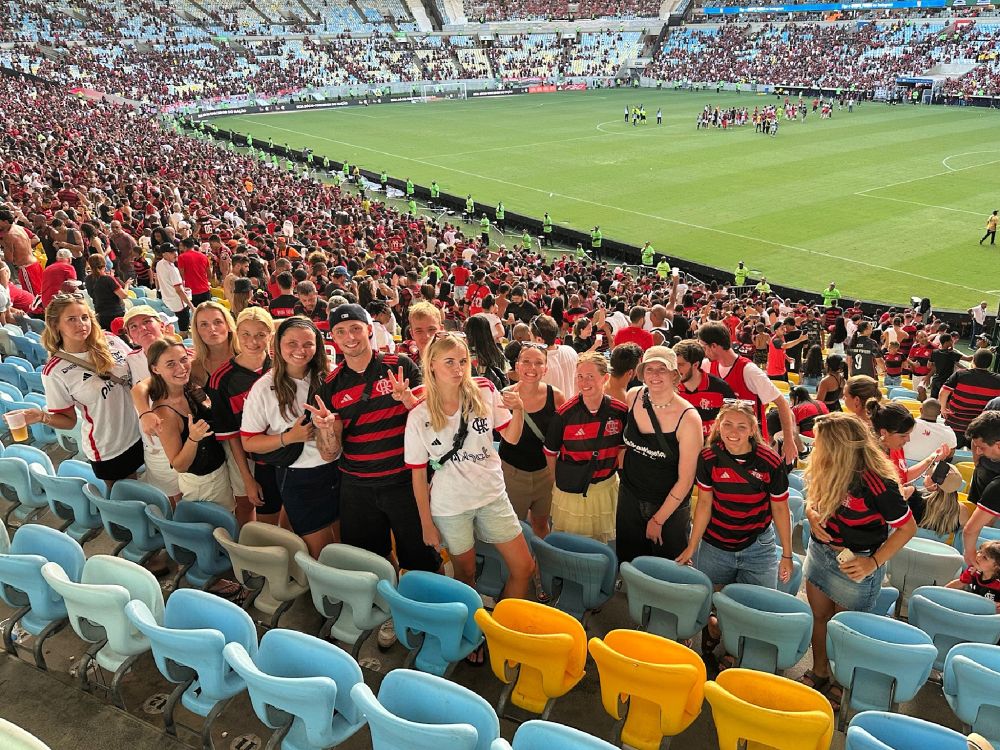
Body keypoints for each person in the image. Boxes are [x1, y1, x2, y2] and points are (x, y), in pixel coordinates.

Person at [405, 332, 534, 606]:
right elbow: (417, 474)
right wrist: (426, 523)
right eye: (449, 362)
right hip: (450, 504)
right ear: (432, 365)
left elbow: (510, 438)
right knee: (466, 574)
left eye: (463, 361)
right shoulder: (419, 414)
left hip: (492, 495)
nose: (458, 368)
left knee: (524, 567)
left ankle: (501, 629)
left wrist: (519, 410)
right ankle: (473, 633)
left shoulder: (486, 389)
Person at [801, 412, 916, 703]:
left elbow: (907, 528)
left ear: (839, 447)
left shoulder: (877, 483)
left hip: (858, 565)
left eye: (822, 443)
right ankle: (819, 671)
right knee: (820, 617)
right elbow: (813, 500)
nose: (816, 447)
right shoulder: (826, 466)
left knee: (846, 630)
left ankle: (843, 681)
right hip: (820, 554)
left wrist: (873, 563)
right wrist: (812, 515)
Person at [679, 401, 791, 657]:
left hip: (757, 547)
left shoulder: (769, 461)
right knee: (713, 601)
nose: (733, 431)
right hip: (715, 544)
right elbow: (705, 503)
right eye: (727, 424)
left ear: (753, 429)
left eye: (742, 426)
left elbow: (781, 509)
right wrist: (692, 546)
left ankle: (734, 646)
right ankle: (715, 632)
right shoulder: (708, 458)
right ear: (719, 425)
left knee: (755, 606)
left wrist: (786, 554)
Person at [241, 317, 338, 557]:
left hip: (337, 471)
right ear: (278, 345)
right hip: (299, 477)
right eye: (292, 343)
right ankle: (322, 593)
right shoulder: (264, 387)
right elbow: (249, 442)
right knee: (321, 551)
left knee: (340, 546)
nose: (300, 350)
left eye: (308, 344)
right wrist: (289, 437)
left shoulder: (330, 378)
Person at [29, 294, 142, 487]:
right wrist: (41, 417)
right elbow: (68, 420)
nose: (81, 324)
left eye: (84, 317)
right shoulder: (54, 371)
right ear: (56, 325)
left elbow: (139, 366)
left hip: (140, 432)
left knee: (153, 491)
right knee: (127, 501)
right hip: (110, 447)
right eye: (71, 319)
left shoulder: (110, 340)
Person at [618, 347, 702, 564]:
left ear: (675, 374)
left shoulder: (688, 418)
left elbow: (685, 481)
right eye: (649, 369)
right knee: (630, 563)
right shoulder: (633, 396)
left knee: (666, 572)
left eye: (662, 369)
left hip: (668, 508)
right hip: (630, 498)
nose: (654, 375)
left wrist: (658, 519)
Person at [209, 307, 282, 526]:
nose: (253, 341)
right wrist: (248, 479)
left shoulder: (282, 366)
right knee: (266, 518)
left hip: (288, 454)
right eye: (246, 335)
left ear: (270, 335)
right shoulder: (221, 379)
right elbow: (231, 435)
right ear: (236, 335)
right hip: (254, 461)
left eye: (260, 334)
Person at [544, 352, 627, 543]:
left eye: (591, 376)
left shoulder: (620, 411)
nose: (584, 382)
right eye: (580, 376)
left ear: (605, 378)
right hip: (572, 491)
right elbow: (550, 451)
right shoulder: (565, 413)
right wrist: (556, 479)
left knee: (600, 542)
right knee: (570, 541)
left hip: (605, 488)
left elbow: (622, 448)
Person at [146, 338, 234, 509]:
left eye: (183, 359)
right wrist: (193, 439)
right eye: (170, 364)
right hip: (204, 484)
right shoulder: (164, 412)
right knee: (216, 530)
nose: (181, 368)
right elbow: (179, 465)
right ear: (156, 369)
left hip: (218, 471)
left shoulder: (187, 389)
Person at [697, 322, 797, 463]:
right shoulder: (707, 365)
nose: (702, 351)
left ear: (714, 346)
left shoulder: (749, 371)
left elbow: (782, 404)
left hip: (752, 447)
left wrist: (788, 440)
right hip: (723, 444)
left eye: (703, 346)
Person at [499, 341, 565, 544]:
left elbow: (561, 438)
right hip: (512, 475)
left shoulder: (556, 396)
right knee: (512, 528)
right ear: (517, 366)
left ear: (545, 369)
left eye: (538, 363)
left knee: (540, 524)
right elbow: (507, 438)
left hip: (544, 474)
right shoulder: (504, 397)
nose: (532, 368)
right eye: (526, 362)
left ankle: (540, 567)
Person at [958, 412, 1000, 566]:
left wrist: (970, 555)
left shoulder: (996, 487)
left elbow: (970, 530)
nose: (978, 452)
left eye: (981, 447)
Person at [941, 349, 1000, 446]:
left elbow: (944, 392)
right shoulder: (998, 380)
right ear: (989, 364)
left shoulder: (960, 374)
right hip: (981, 428)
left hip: (955, 423)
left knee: (949, 450)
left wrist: (943, 408)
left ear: (974, 360)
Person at [531, 314, 578, 399]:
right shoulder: (571, 351)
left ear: (539, 340)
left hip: (552, 411)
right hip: (572, 407)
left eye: (530, 336)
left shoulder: (539, 365)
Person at [947, 541, 1000, 610]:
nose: (978, 556)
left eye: (984, 557)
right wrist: (942, 591)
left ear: (996, 567)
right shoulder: (973, 571)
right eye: (980, 551)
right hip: (973, 606)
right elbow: (960, 582)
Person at [903, 398, 957, 462]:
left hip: (903, 465)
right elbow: (950, 455)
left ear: (920, 410)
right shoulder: (948, 432)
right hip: (931, 468)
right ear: (939, 413)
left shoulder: (906, 424)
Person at [155, 243, 194, 333]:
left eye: (175, 251)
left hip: (167, 300)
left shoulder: (159, 264)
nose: (175, 253)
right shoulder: (172, 269)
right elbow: (179, 291)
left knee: (174, 327)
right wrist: (191, 306)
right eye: (171, 252)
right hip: (178, 303)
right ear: (164, 254)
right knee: (183, 329)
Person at [85, 253, 129, 331]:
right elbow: (123, 295)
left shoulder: (88, 279)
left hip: (101, 314)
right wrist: (127, 285)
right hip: (116, 313)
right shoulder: (108, 279)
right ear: (104, 264)